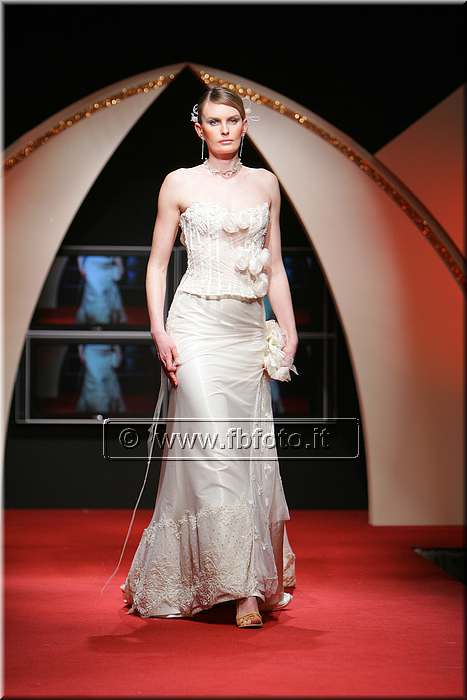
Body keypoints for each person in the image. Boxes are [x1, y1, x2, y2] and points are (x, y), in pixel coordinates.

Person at [118, 87, 299, 628]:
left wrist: (288, 330)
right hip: (194, 324)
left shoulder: (266, 184)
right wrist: (158, 329)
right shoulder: (178, 183)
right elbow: (156, 265)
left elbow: (275, 266)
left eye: (233, 120)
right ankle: (240, 589)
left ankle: (242, 575)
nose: (224, 129)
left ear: (245, 125)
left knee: (246, 451)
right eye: (214, 121)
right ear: (199, 128)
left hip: (245, 328)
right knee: (210, 448)